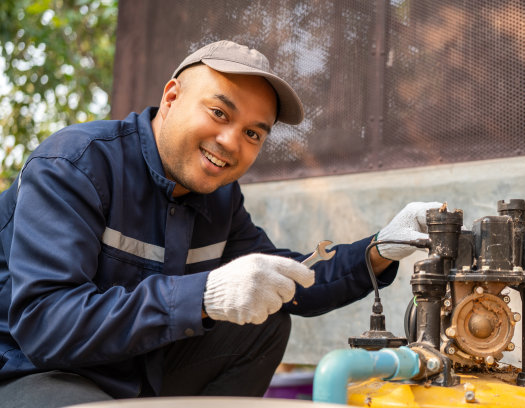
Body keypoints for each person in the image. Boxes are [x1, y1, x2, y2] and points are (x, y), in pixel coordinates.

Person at [0, 40, 440, 407]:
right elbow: (46, 325)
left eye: (253, 133)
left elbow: (292, 280)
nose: (230, 142)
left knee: (265, 323)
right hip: (31, 370)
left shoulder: (219, 199)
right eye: (219, 113)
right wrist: (203, 296)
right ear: (171, 97)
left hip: (137, 366)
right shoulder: (74, 166)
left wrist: (379, 250)